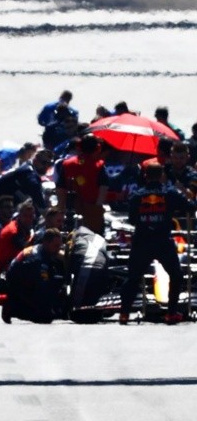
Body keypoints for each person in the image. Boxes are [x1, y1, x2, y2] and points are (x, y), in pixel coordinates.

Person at [119, 162, 195, 325]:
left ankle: (124, 313)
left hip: (142, 240)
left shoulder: (137, 195)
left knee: (132, 278)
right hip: (162, 241)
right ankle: (171, 313)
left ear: (145, 176)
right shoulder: (170, 193)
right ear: (162, 176)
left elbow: (132, 219)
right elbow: (191, 206)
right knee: (176, 276)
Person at [0, 149, 52, 257]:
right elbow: (36, 194)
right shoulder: (28, 173)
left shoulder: (30, 169)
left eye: (49, 164)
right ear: (36, 160)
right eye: (43, 162)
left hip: (7, 203)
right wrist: (49, 216)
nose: (46, 166)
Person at [3, 229, 66, 324]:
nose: (58, 249)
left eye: (59, 246)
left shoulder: (41, 249)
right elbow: (44, 286)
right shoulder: (38, 260)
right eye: (56, 246)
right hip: (18, 284)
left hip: (26, 278)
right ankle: (13, 308)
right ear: (46, 243)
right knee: (46, 316)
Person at [55, 133, 105, 233]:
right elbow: (103, 189)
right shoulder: (99, 166)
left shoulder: (67, 164)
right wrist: (97, 210)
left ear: (79, 147)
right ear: (98, 148)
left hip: (70, 212)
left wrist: (61, 210)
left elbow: (60, 188)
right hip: (92, 214)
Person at [0, 199, 36, 283]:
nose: (28, 219)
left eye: (30, 216)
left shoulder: (22, 226)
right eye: (25, 215)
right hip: (3, 271)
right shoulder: (13, 231)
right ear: (19, 215)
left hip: (13, 266)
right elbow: (25, 250)